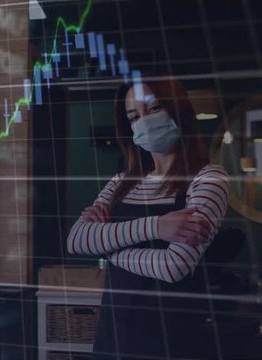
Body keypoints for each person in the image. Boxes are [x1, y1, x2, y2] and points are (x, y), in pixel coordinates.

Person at [66, 76, 229, 360]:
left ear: (178, 110)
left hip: (169, 343)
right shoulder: (121, 182)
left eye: (154, 109)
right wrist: (157, 226)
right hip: (112, 339)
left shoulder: (209, 179)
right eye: (134, 116)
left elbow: (173, 266)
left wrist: (106, 247)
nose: (144, 120)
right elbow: (76, 240)